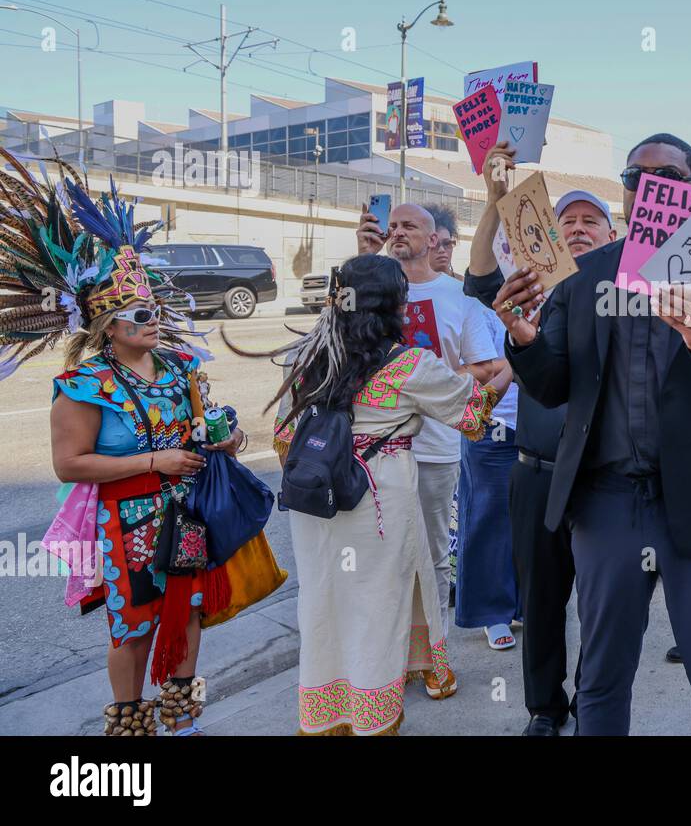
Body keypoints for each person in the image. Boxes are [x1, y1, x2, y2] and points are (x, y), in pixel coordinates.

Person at [494, 132, 691, 735]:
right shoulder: (582, 276)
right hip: (607, 505)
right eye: (634, 176)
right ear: (624, 193)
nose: (649, 186)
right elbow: (553, 386)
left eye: (668, 177)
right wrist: (523, 341)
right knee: (601, 677)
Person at [0, 161, 247, 737]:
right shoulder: (83, 386)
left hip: (187, 513)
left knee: (187, 612)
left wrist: (228, 441)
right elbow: (70, 464)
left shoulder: (179, 367)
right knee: (132, 626)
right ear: (108, 324)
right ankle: (129, 724)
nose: (152, 319)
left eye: (155, 310)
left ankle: (182, 719)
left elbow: (204, 430)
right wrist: (154, 462)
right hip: (127, 518)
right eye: (139, 315)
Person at [267, 255, 510, 735]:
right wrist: (508, 369)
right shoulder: (410, 366)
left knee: (324, 597)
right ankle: (370, 715)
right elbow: (474, 416)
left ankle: (326, 712)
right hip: (377, 492)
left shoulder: (308, 357)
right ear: (395, 306)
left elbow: (281, 439)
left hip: (316, 497)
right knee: (378, 600)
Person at [462, 139, 618, 735]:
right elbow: (480, 273)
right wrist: (494, 196)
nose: (578, 229)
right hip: (536, 470)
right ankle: (544, 710)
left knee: (604, 607)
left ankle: (595, 703)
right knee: (544, 602)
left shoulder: (631, 295)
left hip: (604, 478)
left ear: (613, 236)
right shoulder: (532, 285)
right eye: (568, 220)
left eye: (591, 221)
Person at [357, 201, 498, 699]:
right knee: (379, 558)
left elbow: (487, 365)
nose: (396, 232)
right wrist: (361, 260)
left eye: (409, 226)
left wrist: (428, 385)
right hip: (368, 455)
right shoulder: (364, 285)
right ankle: (385, 658)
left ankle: (432, 657)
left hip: (434, 448)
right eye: (391, 225)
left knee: (434, 555)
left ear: (435, 238)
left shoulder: (458, 297)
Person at [455, 302, 521, 651]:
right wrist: (510, 364)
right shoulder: (474, 304)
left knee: (533, 521)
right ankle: (492, 612)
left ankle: (522, 604)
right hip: (492, 425)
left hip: (541, 424)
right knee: (488, 519)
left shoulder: (546, 292)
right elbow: (464, 369)